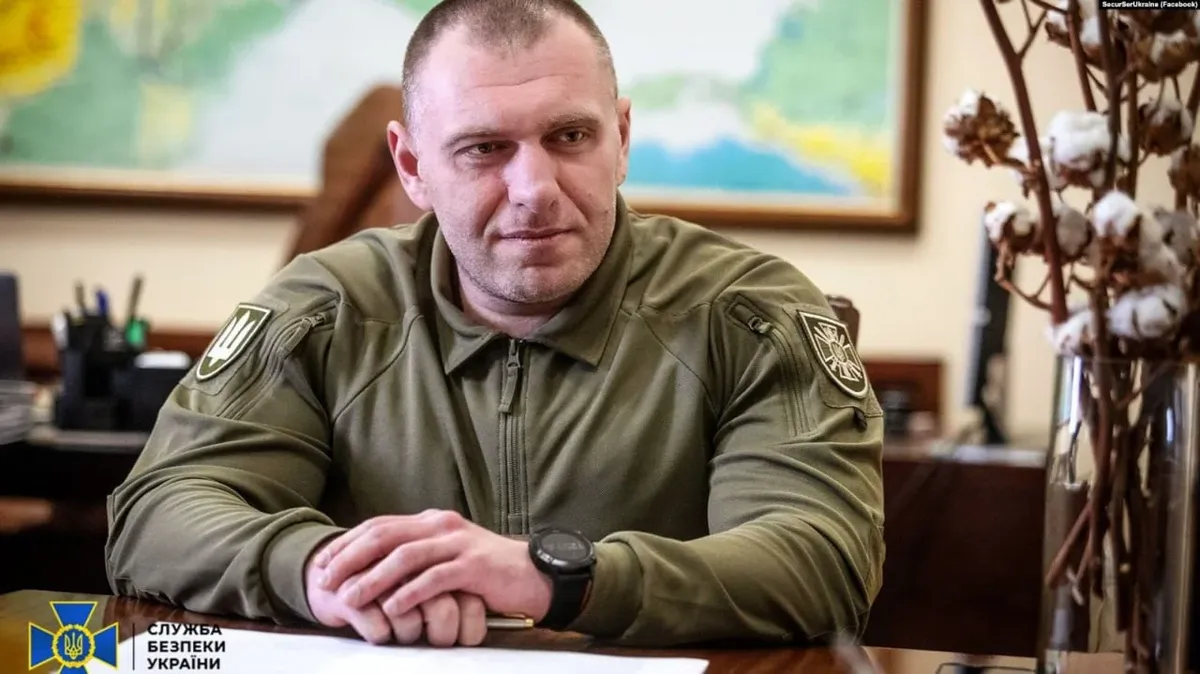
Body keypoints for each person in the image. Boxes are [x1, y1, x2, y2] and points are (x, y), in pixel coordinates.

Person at [105, 0, 886, 650]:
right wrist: (323, 571)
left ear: (621, 138)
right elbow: (158, 514)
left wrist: (552, 578)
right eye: (484, 148)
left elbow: (822, 559)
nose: (533, 187)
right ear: (412, 166)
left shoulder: (749, 315)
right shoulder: (325, 309)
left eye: (570, 137)